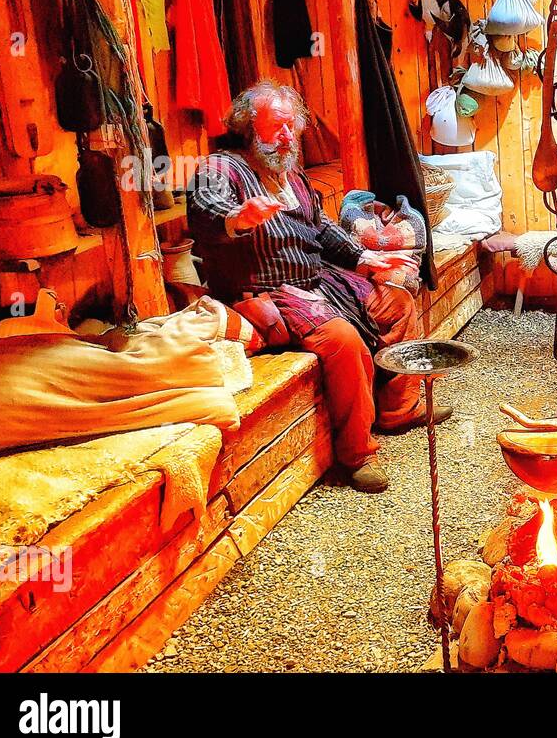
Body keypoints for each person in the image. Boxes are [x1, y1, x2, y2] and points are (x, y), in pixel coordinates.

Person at [187, 81, 450, 493]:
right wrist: (239, 218)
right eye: (276, 127)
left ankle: (399, 409)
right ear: (247, 127)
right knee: (345, 341)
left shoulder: (290, 174)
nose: (286, 136)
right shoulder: (219, 170)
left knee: (396, 300)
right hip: (266, 290)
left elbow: (321, 227)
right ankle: (358, 454)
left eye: (291, 126)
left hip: (317, 279)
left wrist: (363, 258)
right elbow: (205, 216)